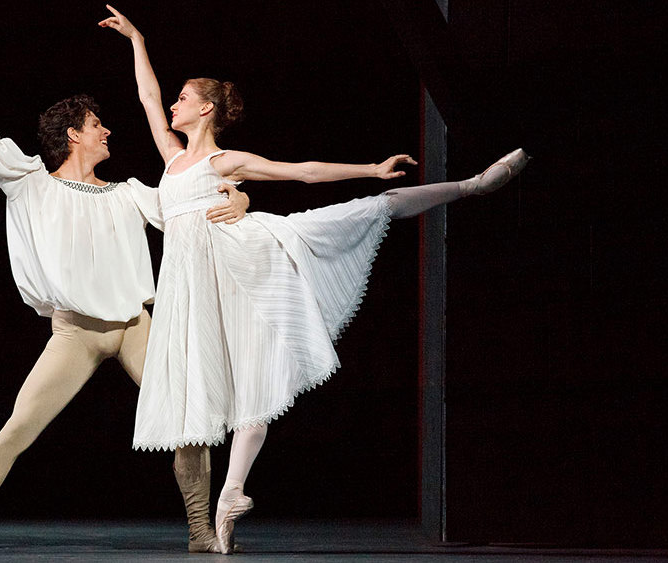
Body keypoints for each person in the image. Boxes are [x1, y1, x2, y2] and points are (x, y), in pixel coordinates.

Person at [99, 5, 529, 554]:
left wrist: (369, 169)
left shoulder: (225, 162)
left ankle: (470, 185)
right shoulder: (173, 158)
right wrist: (137, 38)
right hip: (197, 290)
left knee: (366, 211)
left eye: (185, 97)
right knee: (246, 394)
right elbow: (147, 98)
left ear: (205, 108)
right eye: (177, 97)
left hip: (251, 262)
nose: (175, 104)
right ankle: (229, 501)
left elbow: (302, 172)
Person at [0, 67, 251, 554]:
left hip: (136, 325)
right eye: (96, 125)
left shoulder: (130, 192)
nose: (107, 130)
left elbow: (191, 203)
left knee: (188, 417)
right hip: (75, 335)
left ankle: (201, 531)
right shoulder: (30, 182)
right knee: (20, 426)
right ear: (74, 134)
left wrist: (239, 197)